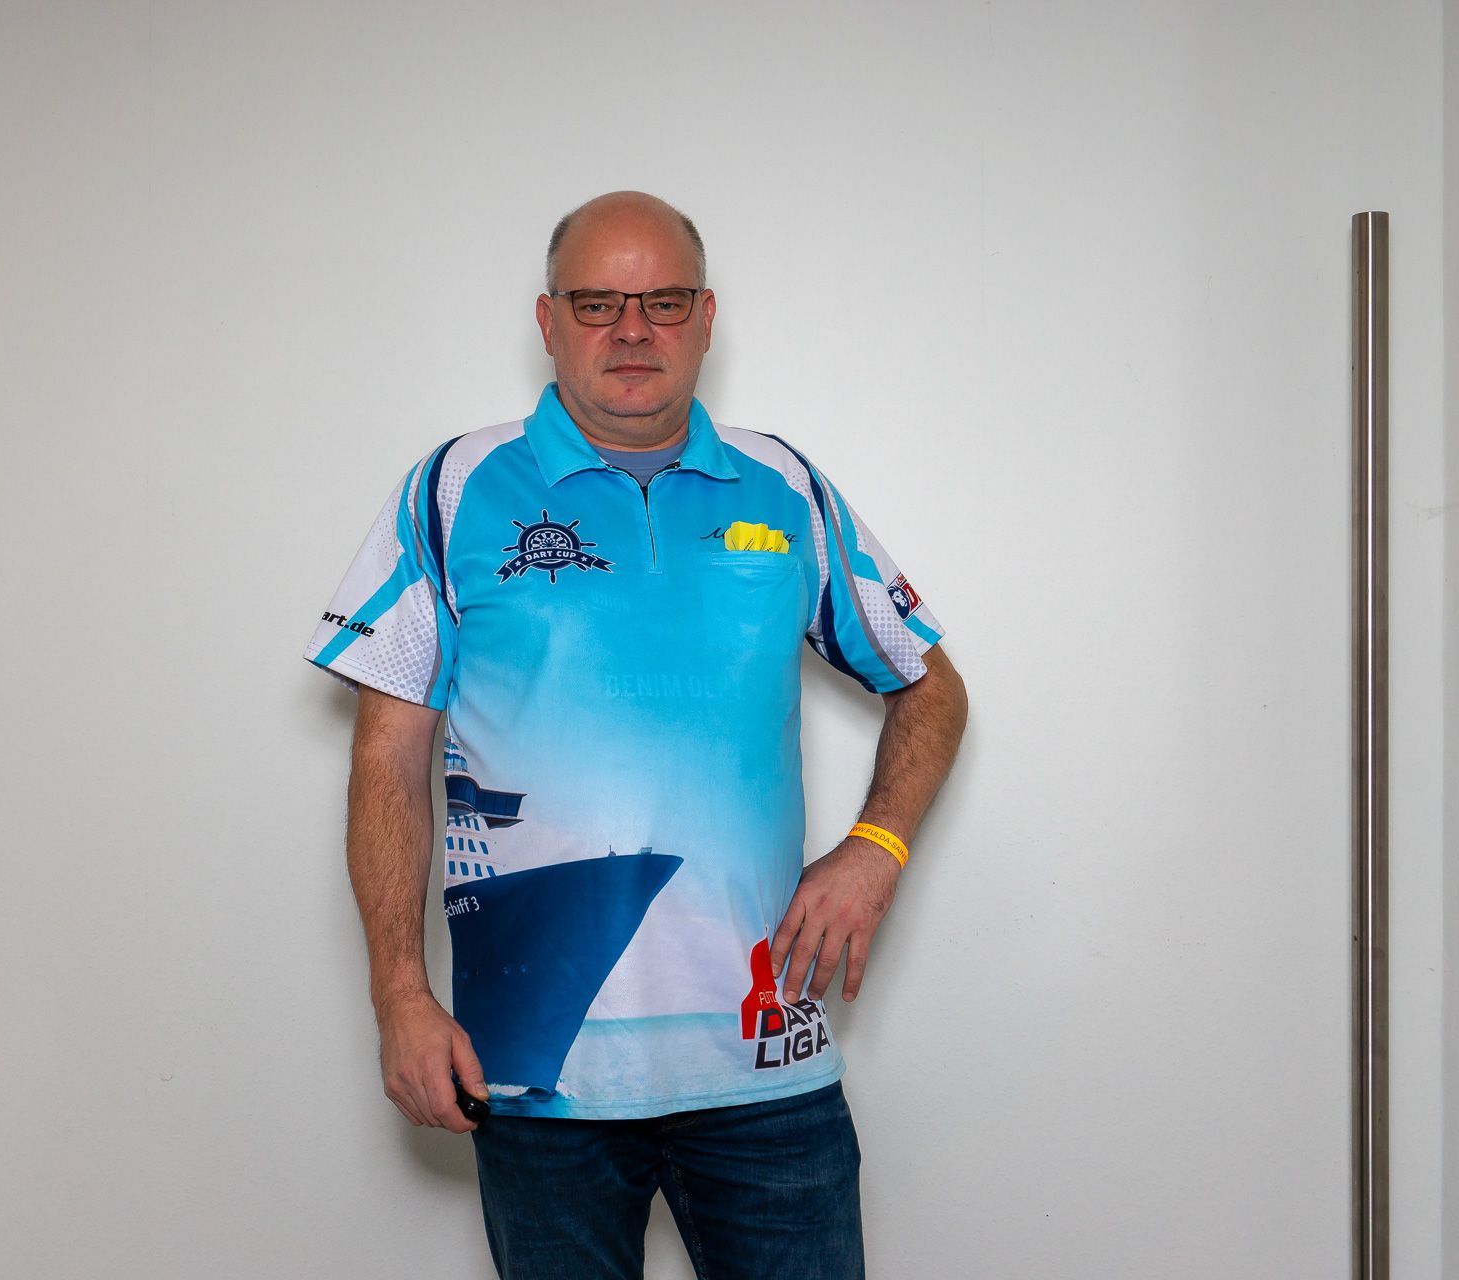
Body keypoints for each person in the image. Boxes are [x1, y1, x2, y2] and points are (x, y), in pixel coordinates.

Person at [301, 190, 968, 1279]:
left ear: (706, 318)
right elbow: (386, 753)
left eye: (662, 302)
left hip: (767, 1067)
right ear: (547, 319)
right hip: (537, 1071)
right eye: (596, 303)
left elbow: (932, 688)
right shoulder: (455, 487)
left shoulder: (784, 485)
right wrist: (400, 996)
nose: (631, 330)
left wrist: (876, 846)